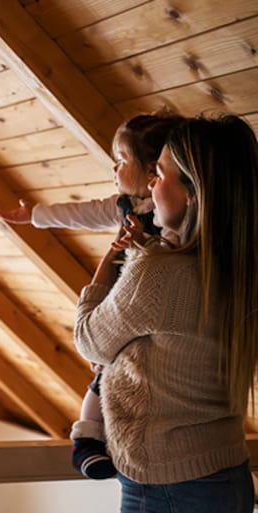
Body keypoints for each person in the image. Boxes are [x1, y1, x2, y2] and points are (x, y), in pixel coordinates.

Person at [75, 113, 257, 512]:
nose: (152, 185)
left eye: (159, 174)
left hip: (167, 485)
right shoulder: (241, 268)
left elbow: (89, 341)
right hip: (226, 472)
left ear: (192, 193)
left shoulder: (158, 273)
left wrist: (114, 254)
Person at [0, 112, 184, 479]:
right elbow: (83, 213)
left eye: (121, 160)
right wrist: (35, 215)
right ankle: (87, 437)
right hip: (118, 303)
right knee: (102, 370)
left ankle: (99, 437)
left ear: (150, 171)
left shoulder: (173, 222)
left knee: (116, 373)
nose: (114, 168)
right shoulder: (124, 206)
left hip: (143, 310)